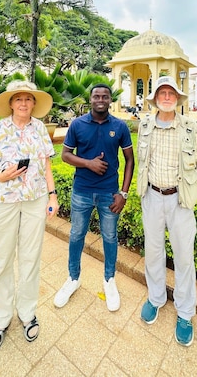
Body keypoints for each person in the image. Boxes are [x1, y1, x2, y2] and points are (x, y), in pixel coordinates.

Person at [0, 80, 59, 352]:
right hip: (2, 203)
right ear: (11, 103)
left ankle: (27, 312)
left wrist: (53, 195)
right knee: (1, 261)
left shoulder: (39, 129)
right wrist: (0, 175)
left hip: (35, 202)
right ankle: (2, 318)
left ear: (34, 104)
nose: (24, 103)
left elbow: (47, 164)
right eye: (19, 99)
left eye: (28, 99)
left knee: (30, 258)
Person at [137, 76, 197, 347]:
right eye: (162, 93)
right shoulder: (145, 125)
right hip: (152, 197)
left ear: (177, 99)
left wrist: (185, 190)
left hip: (179, 201)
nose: (166, 97)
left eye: (171, 93)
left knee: (184, 257)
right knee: (153, 252)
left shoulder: (190, 127)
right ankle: (155, 298)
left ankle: (186, 312)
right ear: (155, 99)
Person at [54, 83, 134, 312]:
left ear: (110, 100)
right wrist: (88, 163)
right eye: (96, 96)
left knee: (109, 236)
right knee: (76, 234)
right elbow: (66, 155)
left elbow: (130, 160)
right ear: (90, 99)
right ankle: (73, 278)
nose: (101, 99)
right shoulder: (78, 125)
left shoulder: (119, 126)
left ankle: (109, 280)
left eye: (105, 96)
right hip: (82, 191)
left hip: (110, 194)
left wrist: (123, 193)